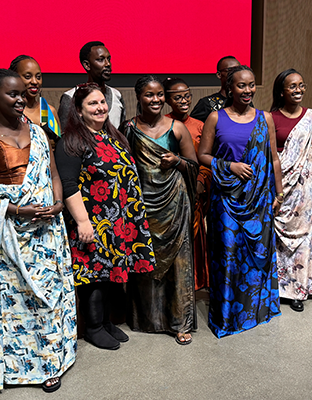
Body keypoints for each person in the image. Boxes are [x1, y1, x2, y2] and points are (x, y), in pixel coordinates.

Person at [0, 69, 76, 392]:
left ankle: (52, 360)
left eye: (23, 94)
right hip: (10, 233)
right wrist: (17, 210)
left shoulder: (38, 132)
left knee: (48, 297)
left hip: (47, 230)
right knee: (15, 300)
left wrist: (57, 203)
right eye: (12, 94)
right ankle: (14, 368)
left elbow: (54, 173)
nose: (20, 99)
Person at [55, 82, 156, 350]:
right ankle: (93, 327)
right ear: (78, 109)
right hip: (92, 221)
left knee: (112, 273)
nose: (100, 108)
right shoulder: (71, 141)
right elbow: (68, 184)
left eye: (102, 102)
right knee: (93, 275)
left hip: (119, 220)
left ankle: (107, 321)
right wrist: (82, 221)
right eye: (92, 103)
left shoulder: (112, 135)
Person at [198, 65, 283, 338]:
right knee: (228, 254)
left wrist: (278, 193)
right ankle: (227, 315)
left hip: (259, 199)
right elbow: (203, 155)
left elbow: (274, 158)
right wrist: (229, 166)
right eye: (241, 86)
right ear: (229, 88)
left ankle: (255, 310)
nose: (247, 91)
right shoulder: (215, 118)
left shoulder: (265, 118)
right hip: (226, 201)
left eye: (251, 85)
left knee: (258, 254)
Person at [125, 75, 199, 345]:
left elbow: (194, 165)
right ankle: (146, 319)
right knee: (145, 262)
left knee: (178, 266)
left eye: (159, 95)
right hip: (144, 206)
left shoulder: (177, 128)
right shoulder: (129, 128)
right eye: (149, 95)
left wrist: (177, 160)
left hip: (175, 204)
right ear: (139, 97)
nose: (155, 100)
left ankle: (181, 323)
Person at [270, 69, 312, 312]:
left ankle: (298, 291)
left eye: (301, 85)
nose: (298, 90)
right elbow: (269, 157)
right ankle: (277, 288)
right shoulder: (269, 117)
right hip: (281, 189)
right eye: (292, 86)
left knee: (303, 241)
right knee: (277, 240)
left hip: (306, 191)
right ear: (281, 91)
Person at [163, 77, 212, 290]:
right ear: (167, 99)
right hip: (168, 191)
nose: (184, 100)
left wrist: (201, 181)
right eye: (178, 97)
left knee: (194, 237)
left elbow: (207, 158)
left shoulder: (200, 126)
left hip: (194, 189)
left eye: (187, 96)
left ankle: (194, 281)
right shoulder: (163, 123)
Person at [58, 41, 125, 131]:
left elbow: (121, 133)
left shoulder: (117, 95)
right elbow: (64, 136)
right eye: (100, 60)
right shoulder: (70, 97)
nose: (107, 64)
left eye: (108, 59)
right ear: (87, 65)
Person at [9, 55, 61, 143]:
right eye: (28, 77)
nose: (35, 82)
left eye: (38, 77)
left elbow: (61, 145)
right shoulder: (10, 113)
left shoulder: (49, 111)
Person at [190, 56, 240, 123]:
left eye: (238, 70)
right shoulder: (207, 103)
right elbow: (192, 127)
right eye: (230, 70)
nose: (235, 74)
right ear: (219, 75)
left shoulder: (243, 100)